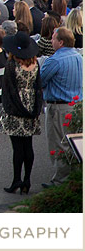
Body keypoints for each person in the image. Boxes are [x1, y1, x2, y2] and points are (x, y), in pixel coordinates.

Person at [0, 31, 43, 194]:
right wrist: (35, 109)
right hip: (30, 103)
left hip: (15, 106)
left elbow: (9, 90)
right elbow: (38, 87)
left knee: (17, 147)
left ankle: (17, 179)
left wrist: (14, 109)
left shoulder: (11, 65)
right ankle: (27, 179)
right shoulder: (35, 64)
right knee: (28, 145)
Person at [40, 27, 83, 187]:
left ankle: (60, 180)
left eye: (53, 38)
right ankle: (72, 175)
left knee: (58, 143)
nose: (51, 41)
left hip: (58, 107)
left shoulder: (55, 60)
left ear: (61, 41)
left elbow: (41, 80)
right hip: (76, 105)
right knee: (73, 142)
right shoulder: (78, 56)